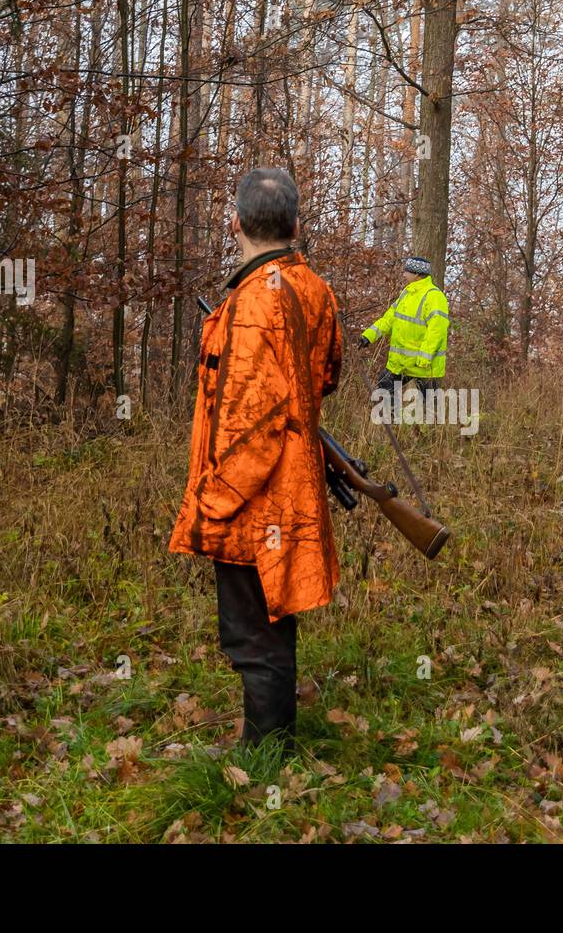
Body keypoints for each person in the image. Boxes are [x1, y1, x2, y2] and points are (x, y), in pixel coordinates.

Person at [168, 168, 342, 751]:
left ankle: (268, 756)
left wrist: (215, 500)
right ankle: (270, 740)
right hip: (293, 488)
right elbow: (326, 375)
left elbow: (254, 427)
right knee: (273, 623)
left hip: (255, 498)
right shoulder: (316, 290)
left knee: (253, 635)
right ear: (295, 225)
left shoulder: (249, 304)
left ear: (236, 223)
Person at [359, 256, 449, 409]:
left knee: (430, 408)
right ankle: (392, 426)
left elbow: (437, 331)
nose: (403, 274)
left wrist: (425, 357)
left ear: (417, 274)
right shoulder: (406, 293)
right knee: (383, 390)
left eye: (407, 271)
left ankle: (432, 432)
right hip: (401, 362)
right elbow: (389, 319)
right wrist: (368, 336)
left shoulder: (434, 296)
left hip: (425, 365)